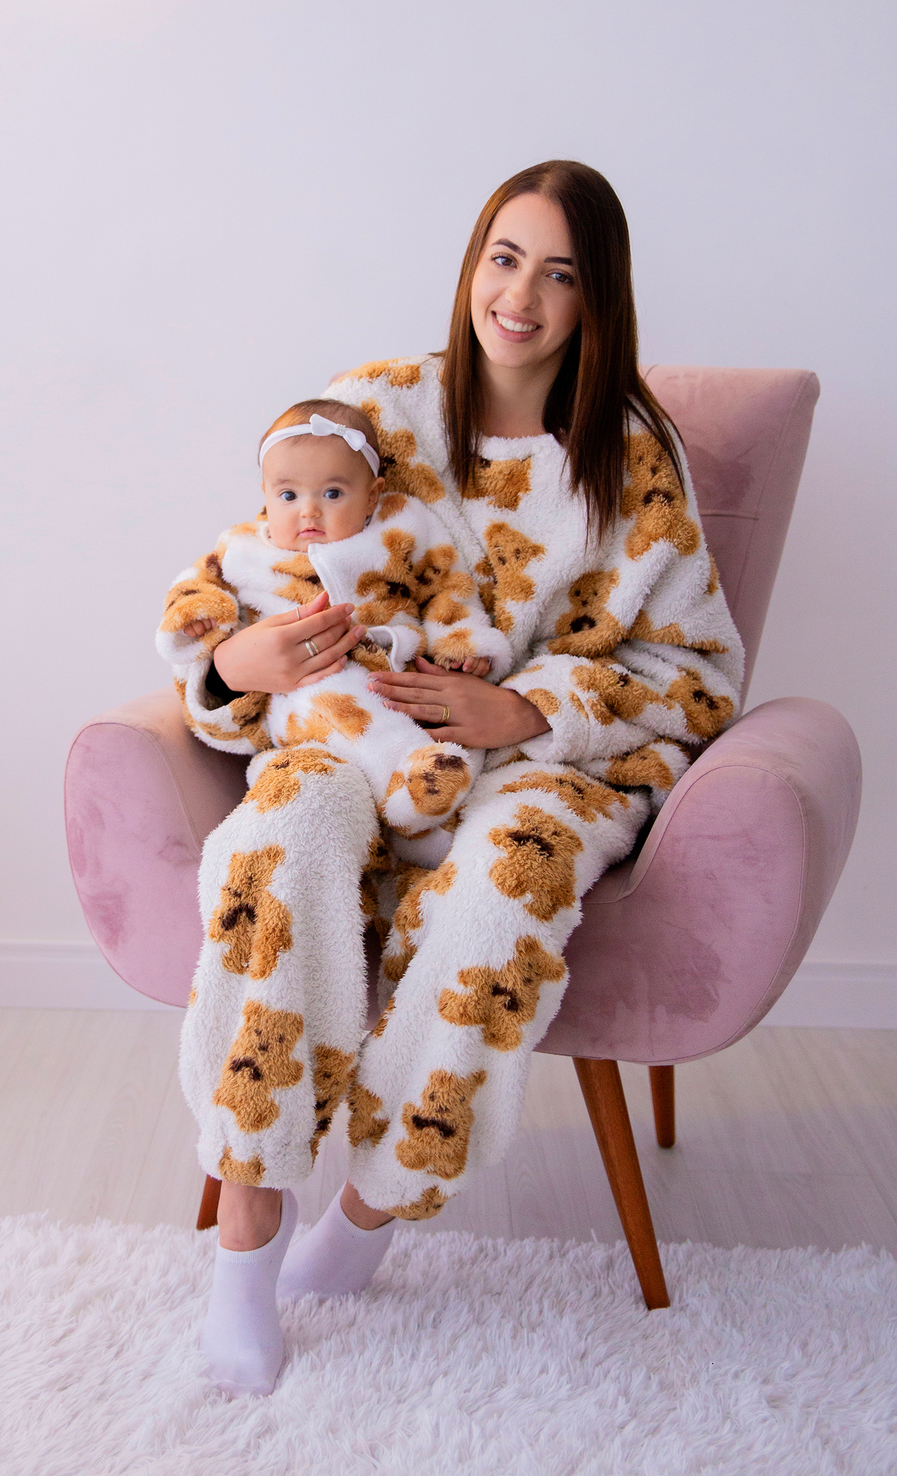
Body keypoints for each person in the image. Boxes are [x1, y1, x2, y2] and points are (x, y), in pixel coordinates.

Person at [170, 161, 743, 1396]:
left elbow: (700, 670)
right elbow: (242, 568)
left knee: (503, 890)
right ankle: (247, 1231)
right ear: (470, 258)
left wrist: (529, 707)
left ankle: (368, 1217)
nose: (519, 296)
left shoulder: (634, 460)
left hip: (548, 768)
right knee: (280, 839)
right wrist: (235, 662)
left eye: (559, 273)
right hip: (352, 735)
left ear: (599, 300)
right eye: (502, 256)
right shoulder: (374, 409)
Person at [156, 397, 509, 858]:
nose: (309, 511)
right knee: (329, 703)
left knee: (433, 724)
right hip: (297, 698)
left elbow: (447, 584)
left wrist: (462, 644)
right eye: (288, 495)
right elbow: (193, 590)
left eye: (333, 494)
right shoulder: (242, 551)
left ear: (372, 495)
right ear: (265, 493)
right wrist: (198, 618)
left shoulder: (401, 528)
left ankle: (427, 815)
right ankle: (411, 791)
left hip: (400, 682)